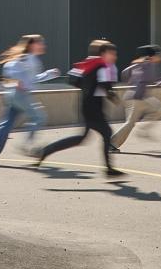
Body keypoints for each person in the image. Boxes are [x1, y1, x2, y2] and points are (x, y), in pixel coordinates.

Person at [33, 39, 122, 178]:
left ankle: (46, 151)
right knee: (106, 132)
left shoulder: (91, 65)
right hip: (94, 108)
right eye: (112, 53)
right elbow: (105, 87)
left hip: (87, 105)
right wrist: (114, 97)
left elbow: (77, 81)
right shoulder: (102, 67)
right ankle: (109, 169)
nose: (115, 57)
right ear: (104, 53)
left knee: (82, 138)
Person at [0, 33, 58, 165]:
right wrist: (16, 80)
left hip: (12, 94)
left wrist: (49, 74)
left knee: (6, 124)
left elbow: (30, 78)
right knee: (39, 117)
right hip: (21, 94)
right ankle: (27, 146)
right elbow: (11, 69)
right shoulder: (28, 58)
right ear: (32, 45)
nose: (43, 45)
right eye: (40, 43)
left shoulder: (27, 58)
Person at [111, 44, 161, 150]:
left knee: (159, 109)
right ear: (152, 56)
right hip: (138, 97)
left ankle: (143, 129)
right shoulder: (148, 65)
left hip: (135, 95)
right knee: (130, 123)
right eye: (159, 55)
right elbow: (152, 81)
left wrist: (132, 82)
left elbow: (124, 73)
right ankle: (112, 143)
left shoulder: (139, 63)